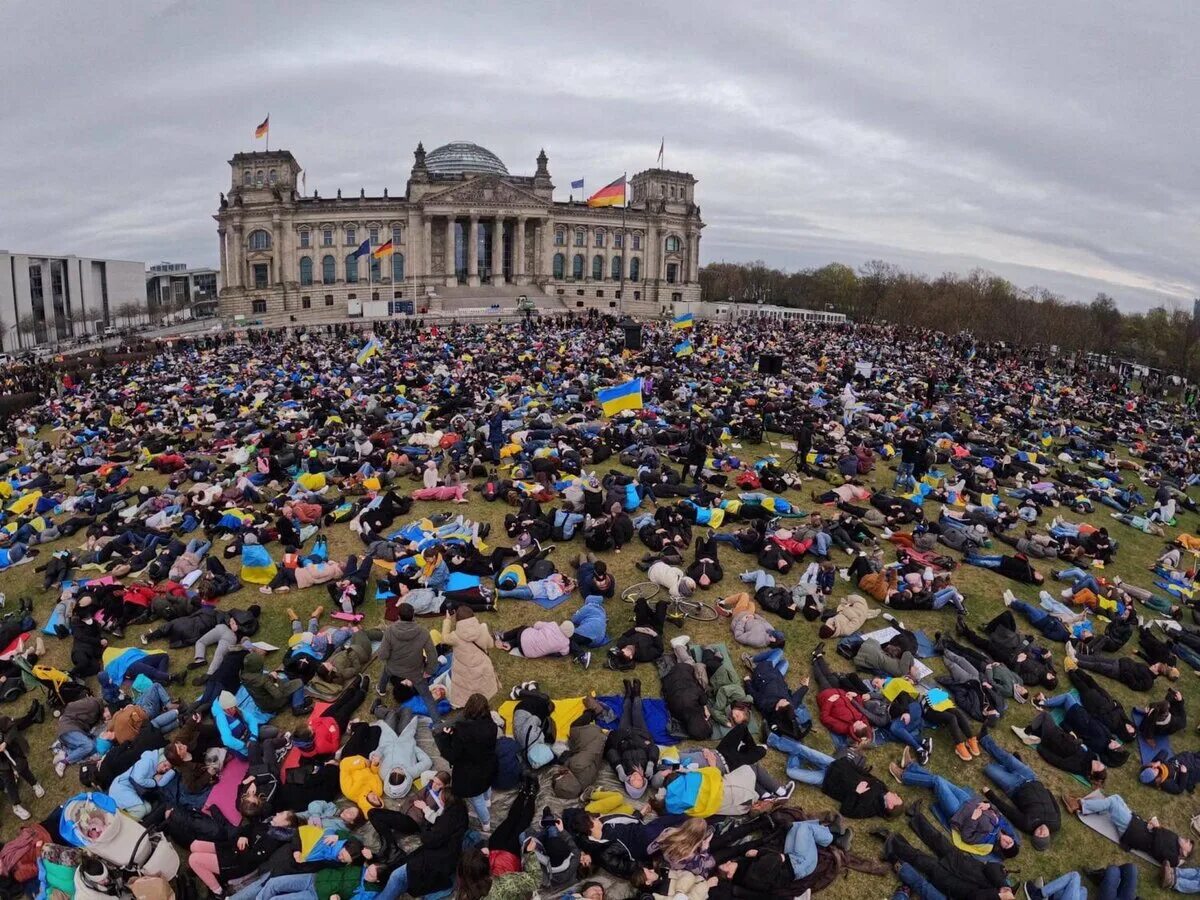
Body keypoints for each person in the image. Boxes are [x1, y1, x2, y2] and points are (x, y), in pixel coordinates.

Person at [1062, 792, 1194, 868]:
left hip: (1133, 833)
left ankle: (1078, 805)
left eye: (1189, 843)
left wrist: (1157, 828)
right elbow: (1159, 834)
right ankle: (1095, 809)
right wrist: (1153, 825)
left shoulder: (1173, 859)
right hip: (1138, 825)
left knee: (1113, 803)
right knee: (1117, 798)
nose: (1187, 839)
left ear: (1184, 853)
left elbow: (1157, 849)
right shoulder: (1175, 839)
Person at [376, 601, 441, 724]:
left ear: (398, 616)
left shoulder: (390, 631)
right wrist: (429, 671)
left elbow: (382, 655)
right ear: (413, 616)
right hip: (416, 671)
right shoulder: (423, 632)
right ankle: (438, 725)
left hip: (394, 668)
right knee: (427, 697)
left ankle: (381, 689)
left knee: (386, 670)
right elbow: (432, 655)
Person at [441, 604, 499, 708]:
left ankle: (468, 703)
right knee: (481, 682)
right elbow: (490, 644)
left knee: (466, 686)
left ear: (457, 619)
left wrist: (447, 620)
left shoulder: (455, 636)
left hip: (464, 671)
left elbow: (444, 638)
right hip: (482, 666)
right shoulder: (482, 628)